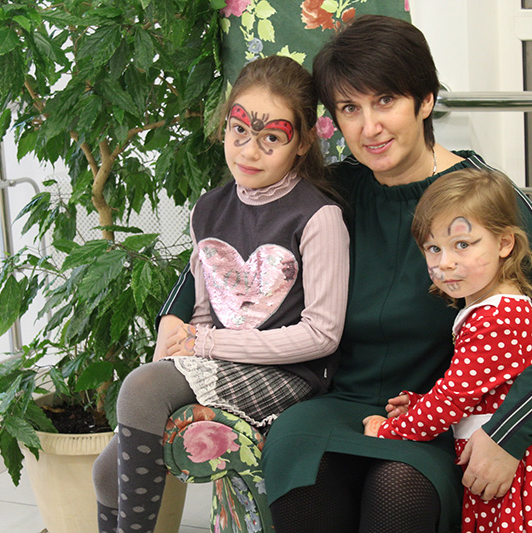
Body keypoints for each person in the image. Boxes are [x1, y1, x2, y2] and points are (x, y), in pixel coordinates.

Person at [157, 15, 532, 533]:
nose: (369, 127)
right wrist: (175, 318)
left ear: (425, 101)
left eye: (386, 101)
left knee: (397, 493)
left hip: (434, 419)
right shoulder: (327, 195)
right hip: (330, 406)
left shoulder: (481, 197)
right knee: (305, 483)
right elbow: (220, 248)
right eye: (349, 108)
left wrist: (509, 431)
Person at [91, 55, 350, 533]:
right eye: (239, 130)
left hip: (289, 375)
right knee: (105, 473)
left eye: (272, 138)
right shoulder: (208, 208)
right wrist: (190, 349)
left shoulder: (318, 217)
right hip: (219, 364)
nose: (249, 151)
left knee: (142, 387)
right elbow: (204, 313)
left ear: (302, 142)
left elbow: (322, 335)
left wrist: (205, 346)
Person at [362, 168, 532, 533]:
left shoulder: (497, 318)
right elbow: (481, 394)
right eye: (434, 248)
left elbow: (453, 399)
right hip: (520, 467)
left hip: (527, 476)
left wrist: (388, 430)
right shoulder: (493, 307)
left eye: (463, 245)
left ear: (504, 243)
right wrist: (420, 404)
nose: (445, 262)